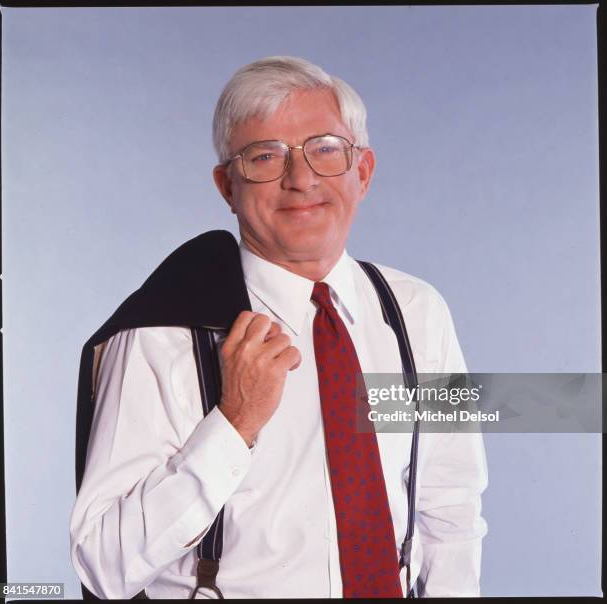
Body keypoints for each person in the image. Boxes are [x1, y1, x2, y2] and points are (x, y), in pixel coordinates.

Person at [70, 56, 488, 599]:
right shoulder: (161, 335)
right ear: (227, 186)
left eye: (326, 150)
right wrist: (233, 424)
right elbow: (102, 565)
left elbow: (450, 506)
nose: (301, 179)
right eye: (265, 157)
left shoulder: (419, 312)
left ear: (362, 172)